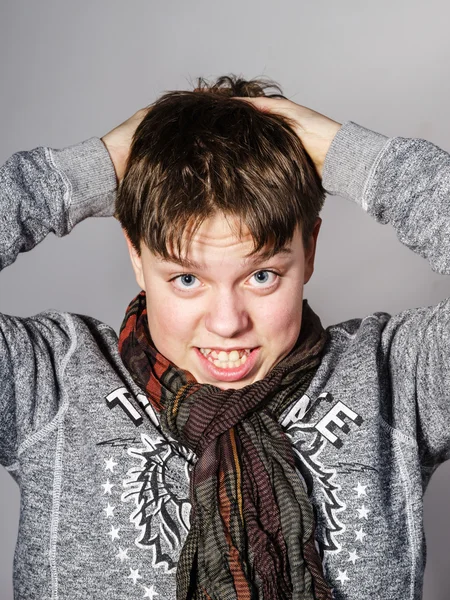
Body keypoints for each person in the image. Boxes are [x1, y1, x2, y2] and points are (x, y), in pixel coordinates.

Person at [1, 75, 448, 600]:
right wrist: (81, 172)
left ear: (310, 248)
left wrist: (357, 158)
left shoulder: (400, 376)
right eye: (186, 279)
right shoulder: (47, 383)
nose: (227, 322)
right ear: (136, 257)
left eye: (261, 275)